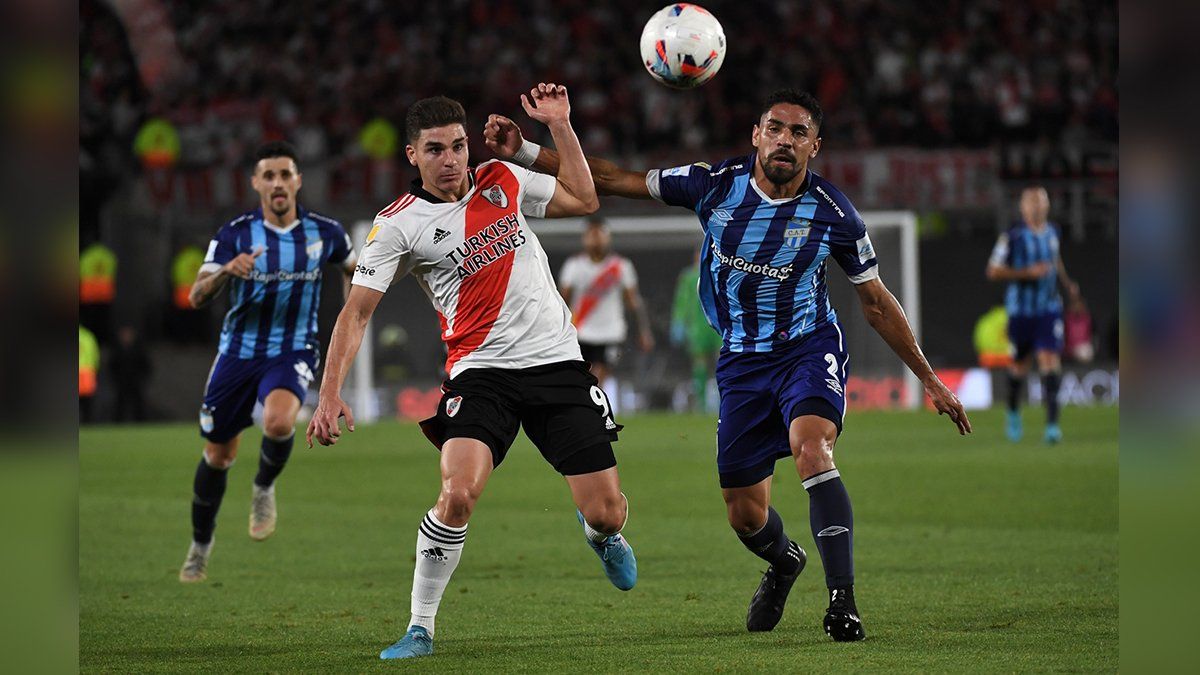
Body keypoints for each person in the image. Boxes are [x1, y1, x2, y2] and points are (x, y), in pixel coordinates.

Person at [485, 87, 971, 642]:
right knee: (745, 514)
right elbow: (618, 179)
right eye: (776, 128)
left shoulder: (833, 212)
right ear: (756, 135)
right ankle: (785, 562)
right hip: (741, 363)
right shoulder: (714, 185)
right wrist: (524, 149)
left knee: (812, 448)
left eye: (799, 133)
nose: (785, 140)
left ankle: (842, 603)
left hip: (807, 349)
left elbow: (877, 301)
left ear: (816, 147)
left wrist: (929, 378)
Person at [307, 86, 638, 661]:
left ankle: (601, 535)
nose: (451, 159)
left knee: (607, 511)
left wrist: (557, 125)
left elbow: (584, 199)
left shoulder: (501, 179)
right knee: (457, 495)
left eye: (458, 146)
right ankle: (420, 627)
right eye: (434, 149)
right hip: (480, 373)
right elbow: (356, 311)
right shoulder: (398, 226)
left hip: (558, 363)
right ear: (412, 155)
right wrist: (329, 394)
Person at [179, 141, 356, 582]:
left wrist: (358, 307)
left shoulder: (326, 232)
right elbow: (195, 296)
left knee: (278, 423)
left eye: (285, 174)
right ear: (256, 183)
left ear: (298, 181)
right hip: (237, 355)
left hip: (293, 349)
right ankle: (201, 545)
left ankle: (263, 487)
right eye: (269, 176)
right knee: (219, 455)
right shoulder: (235, 234)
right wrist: (224, 272)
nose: (278, 183)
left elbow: (356, 268)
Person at [986, 186, 1079, 444]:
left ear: (1047, 205)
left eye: (1041, 201)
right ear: (1023, 207)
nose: (1037, 206)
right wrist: (1027, 273)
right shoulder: (1013, 237)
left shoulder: (1053, 232)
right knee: (1019, 368)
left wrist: (1067, 282)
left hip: (1048, 309)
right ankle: (1014, 413)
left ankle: (1052, 426)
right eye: (1032, 202)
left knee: (1050, 361)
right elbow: (993, 271)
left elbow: (1055, 260)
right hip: (1020, 312)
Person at [557, 215, 654, 406]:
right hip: (580, 331)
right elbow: (562, 302)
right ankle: (590, 409)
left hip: (611, 332)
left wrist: (644, 330)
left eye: (599, 233)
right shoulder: (574, 266)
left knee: (600, 375)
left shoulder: (621, 266)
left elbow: (633, 302)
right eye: (591, 234)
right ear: (584, 237)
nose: (595, 238)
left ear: (607, 237)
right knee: (584, 376)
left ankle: (592, 409)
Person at [671, 246, 723, 412]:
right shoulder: (688, 276)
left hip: (717, 324)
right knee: (699, 364)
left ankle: (722, 402)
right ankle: (702, 403)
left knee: (721, 362)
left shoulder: (717, 270)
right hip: (697, 326)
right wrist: (678, 321)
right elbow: (681, 300)